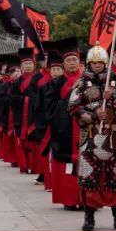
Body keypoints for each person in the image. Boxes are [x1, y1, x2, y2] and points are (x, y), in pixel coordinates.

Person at [70, 44, 116, 231]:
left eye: (100, 62)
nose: (97, 65)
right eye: (94, 62)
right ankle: (89, 218)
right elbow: (73, 107)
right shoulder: (81, 83)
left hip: (113, 136)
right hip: (90, 135)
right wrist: (92, 115)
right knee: (91, 177)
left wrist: (114, 96)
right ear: (89, 63)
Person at [43, 38, 84, 210]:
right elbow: (49, 107)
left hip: (84, 128)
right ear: (63, 63)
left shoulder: (87, 80)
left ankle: (86, 200)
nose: (72, 63)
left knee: (86, 162)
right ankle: (69, 199)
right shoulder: (55, 83)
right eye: (68, 60)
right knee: (66, 166)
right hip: (64, 129)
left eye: (74, 60)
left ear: (79, 62)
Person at [28, 48, 63, 188]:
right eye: (53, 68)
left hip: (62, 124)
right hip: (45, 121)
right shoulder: (38, 80)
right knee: (46, 151)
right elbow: (35, 101)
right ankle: (46, 176)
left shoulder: (66, 82)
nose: (55, 71)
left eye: (57, 68)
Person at [9, 47, 38, 175]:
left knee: (33, 141)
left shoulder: (37, 79)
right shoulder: (17, 82)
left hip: (34, 114)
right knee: (21, 140)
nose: (27, 66)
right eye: (25, 64)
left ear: (34, 65)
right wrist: (25, 100)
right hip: (20, 115)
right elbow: (12, 97)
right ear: (21, 66)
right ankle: (24, 165)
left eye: (30, 64)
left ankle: (34, 165)